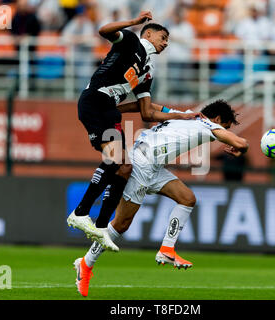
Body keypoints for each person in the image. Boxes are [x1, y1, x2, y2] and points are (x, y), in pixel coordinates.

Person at [73, 99, 249, 297]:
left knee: (187, 198)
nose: (222, 134)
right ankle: (86, 264)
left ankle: (166, 248)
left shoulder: (182, 114)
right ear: (217, 119)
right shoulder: (206, 124)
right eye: (224, 127)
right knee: (121, 224)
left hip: (153, 167)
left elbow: (148, 106)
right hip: (141, 166)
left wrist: (114, 109)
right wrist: (242, 148)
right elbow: (241, 142)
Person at [66, 11, 203, 252]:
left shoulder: (147, 72)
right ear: (148, 33)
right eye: (163, 37)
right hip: (95, 102)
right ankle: (80, 212)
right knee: (116, 158)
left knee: (125, 167)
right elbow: (104, 31)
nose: (166, 43)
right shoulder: (130, 41)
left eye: (168, 41)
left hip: (109, 110)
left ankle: (99, 227)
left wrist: (180, 115)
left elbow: (147, 112)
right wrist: (133, 22)